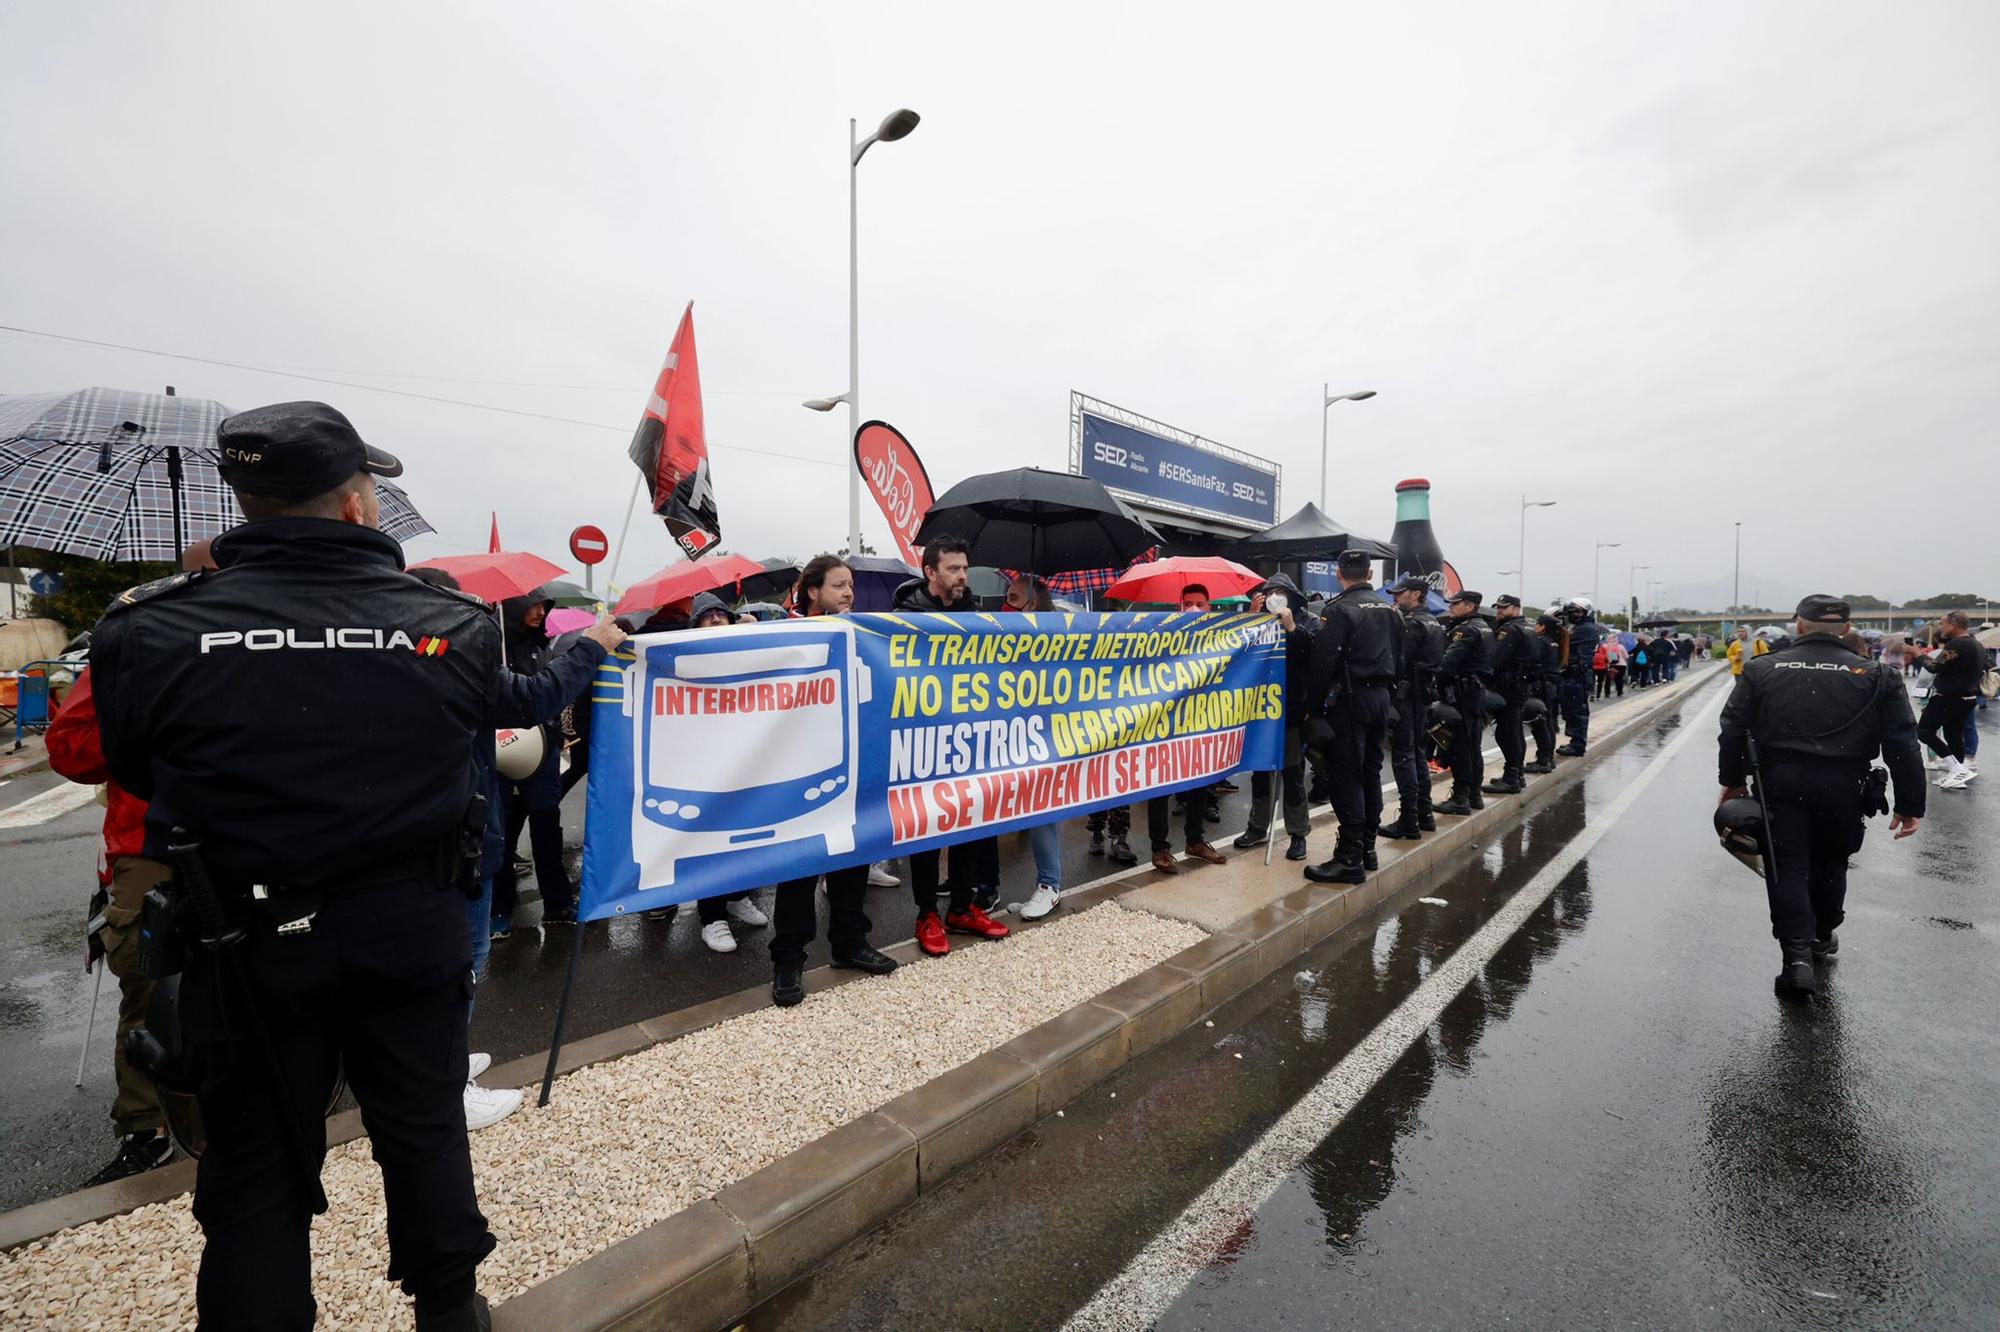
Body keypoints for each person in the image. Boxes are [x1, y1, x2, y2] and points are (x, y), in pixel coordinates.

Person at [88, 401, 537, 1329]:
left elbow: (138, 767)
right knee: (423, 1131)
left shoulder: (147, 629)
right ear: (359, 505)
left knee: (254, 1165)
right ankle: (452, 1310)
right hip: (407, 924)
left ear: (245, 502)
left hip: (244, 938)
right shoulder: (445, 621)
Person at [407, 565, 616, 1132]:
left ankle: (444, 1056)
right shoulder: (446, 655)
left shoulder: (383, 655)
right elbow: (532, 699)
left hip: (420, 838)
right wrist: (594, 645)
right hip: (454, 837)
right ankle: (448, 1084)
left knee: (442, 966)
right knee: (461, 962)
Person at [46, 539, 218, 1186]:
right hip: (151, 849)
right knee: (151, 988)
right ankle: (147, 1131)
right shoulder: (137, 637)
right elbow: (71, 748)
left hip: (249, 843)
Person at [1718, 595, 1923, 996]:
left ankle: (1796, 962)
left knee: (1787, 866)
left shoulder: (1762, 668)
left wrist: (1732, 780)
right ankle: (1822, 934)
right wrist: (1910, 803)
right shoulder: (1876, 674)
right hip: (1844, 785)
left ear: (1799, 625)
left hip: (1781, 782)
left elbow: (1732, 729)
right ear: (1846, 629)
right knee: (1832, 862)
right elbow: (1902, 741)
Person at [770, 557, 898, 1006]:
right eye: (839, 585)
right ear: (812, 592)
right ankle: (788, 960)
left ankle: (849, 943)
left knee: (852, 857)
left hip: (851, 763)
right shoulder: (783, 634)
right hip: (799, 770)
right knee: (799, 870)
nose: (848, 593)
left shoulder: (860, 633)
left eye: (851, 585)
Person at [892, 536, 1009, 955]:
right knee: (925, 829)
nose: (963, 575)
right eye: (954, 569)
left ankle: (962, 907)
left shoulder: (973, 613)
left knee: (970, 823)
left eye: (964, 568)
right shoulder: (903, 617)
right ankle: (927, 914)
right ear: (931, 573)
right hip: (923, 740)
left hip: (968, 738)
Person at [678, 591, 773, 952]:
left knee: (745, 836)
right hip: (704, 764)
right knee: (711, 840)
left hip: (745, 760)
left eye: (722, 615)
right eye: (707, 616)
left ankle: (737, 896)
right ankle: (711, 917)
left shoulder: (743, 649)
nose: (716, 620)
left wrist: (757, 624)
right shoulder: (684, 656)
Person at [1302, 550, 1402, 884]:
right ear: (1371, 574)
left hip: (1351, 700)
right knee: (1371, 773)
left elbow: (1322, 666)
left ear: (1339, 574)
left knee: (1347, 778)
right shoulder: (1391, 610)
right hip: (1381, 698)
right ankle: (1367, 849)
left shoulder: (1340, 610)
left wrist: (1313, 710)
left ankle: (1348, 858)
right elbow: (1400, 658)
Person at [1145, 582, 1230, 874]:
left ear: (1209, 607)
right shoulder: (1163, 634)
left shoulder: (1218, 635)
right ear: (1178, 607)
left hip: (1201, 720)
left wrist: (1254, 617)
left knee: (1199, 780)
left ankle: (1195, 841)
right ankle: (1160, 849)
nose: (1194, 608)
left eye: (1200, 604)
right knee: (1160, 784)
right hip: (1165, 722)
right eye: (1188, 603)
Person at [1236, 575, 1316, 860]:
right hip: (1261, 710)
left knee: (1292, 773)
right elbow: (1236, 652)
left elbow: (1311, 656)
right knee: (1260, 771)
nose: (1273, 599)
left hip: (1292, 711)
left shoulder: (1305, 621)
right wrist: (1250, 618)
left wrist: (1290, 625)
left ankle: (1298, 833)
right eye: (1268, 594)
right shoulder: (1256, 620)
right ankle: (1258, 827)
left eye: (1279, 594)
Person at [1005, 573, 1069, 916]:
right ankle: (1046, 883)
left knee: (1042, 809)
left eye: (1014, 598)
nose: (1007, 604)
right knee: (1028, 809)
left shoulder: (1056, 632)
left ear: (1033, 602)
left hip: (1047, 733)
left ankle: (1050, 885)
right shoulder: (1010, 631)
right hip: (1018, 731)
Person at [1380, 574, 1444, 840]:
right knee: (1417, 754)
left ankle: (1409, 821)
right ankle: (1424, 815)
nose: (1395, 598)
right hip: (1422, 695)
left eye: (1400, 593)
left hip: (1407, 696)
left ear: (1416, 594)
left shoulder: (1412, 623)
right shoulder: (1434, 622)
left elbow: (1397, 661)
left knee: (1404, 756)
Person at [1433, 590, 1496, 816]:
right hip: (1476, 691)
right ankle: (1474, 795)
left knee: (1461, 746)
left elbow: (1447, 663)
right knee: (1472, 744)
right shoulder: (1485, 626)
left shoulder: (1466, 629)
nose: (1451, 606)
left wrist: (1433, 683)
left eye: (1455, 603)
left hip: (1463, 693)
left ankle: (1461, 798)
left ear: (1469, 606)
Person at [1911, 610, 1985, 791]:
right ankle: (1958, 777)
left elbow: (1935, 667)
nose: (1940, 627)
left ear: (1953, 625)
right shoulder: (1976, 644)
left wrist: (1918, 654)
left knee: (1924, 731)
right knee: (1954, 735)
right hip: (1968, 697)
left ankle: (1957, 768)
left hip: (1949, 697)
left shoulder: (1957, 644)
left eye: (1942, 623)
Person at [1482, 594, 1535, 796]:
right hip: (1521, 685)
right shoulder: (1528, 627)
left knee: (1507, 732)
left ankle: (1512, 777)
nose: (1499, 611)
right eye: (1498, 607)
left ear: (1516, 609)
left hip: (1509, 686)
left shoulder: (1509, 630)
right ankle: (1516, 774)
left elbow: (1495, 660)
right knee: (1515, 731)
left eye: (1504, 608)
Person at [1557, 597, 1600, 756]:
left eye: (1576, 611)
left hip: (1578, 674)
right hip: (1576, 674)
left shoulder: (1586, 628)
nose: (1572, 614)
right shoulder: (1582, 627)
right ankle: (1575, 741)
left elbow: (1565, 640)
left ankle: (1577, 745)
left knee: (1578, 711)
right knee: (1572, 709)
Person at [1523, 611, 1566, 774]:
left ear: (1542, 627)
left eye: (1536, 624)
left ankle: (1543, 760)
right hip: (1551, 685)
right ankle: (1548, 758)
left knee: (1540, 723)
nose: (1534, 627)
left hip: (1541, 685)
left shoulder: (1541, 642)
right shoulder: (1554, 642)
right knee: (1549, 723)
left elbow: (1532, 662)